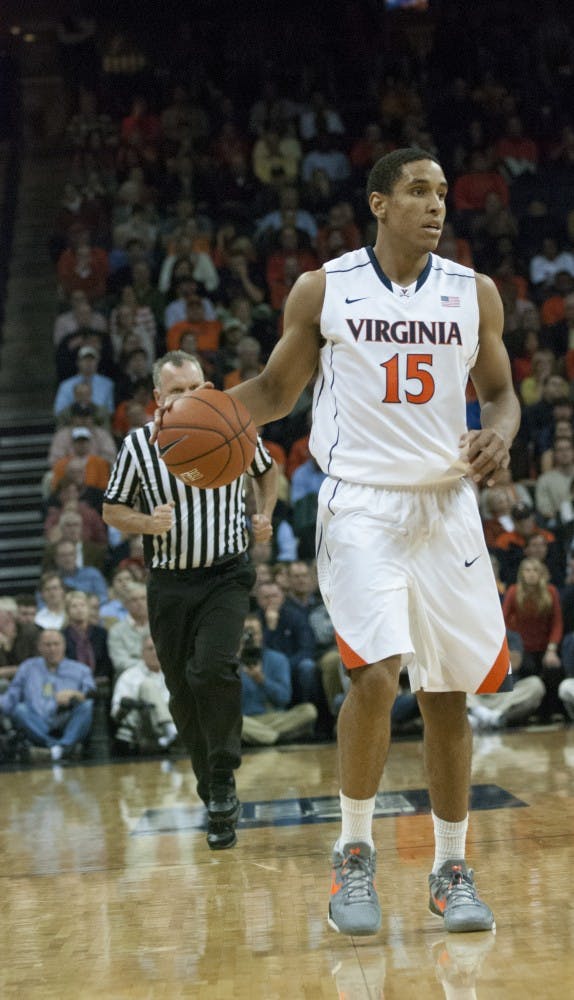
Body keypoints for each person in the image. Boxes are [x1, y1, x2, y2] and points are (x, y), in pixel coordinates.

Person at [220, 148, 520, 936]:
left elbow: (500, 394)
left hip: (447, 504)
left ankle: (451, 868)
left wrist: (500, 433)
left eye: (443, 192)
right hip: (360, 504)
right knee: (377, 676)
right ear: (379, 203)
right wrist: (205, 417)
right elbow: (276, 391)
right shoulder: (325, 288)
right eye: (419, 191)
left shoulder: (475, 293)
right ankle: (353, 855)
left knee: (447, 691)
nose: (437, 205)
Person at [103, 350, 278, 851]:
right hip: (169, 584)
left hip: (226, 574)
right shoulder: (138, 446)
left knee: (212, 669)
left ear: (208, 389)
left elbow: (267, 472)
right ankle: (214, 794)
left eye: (195, 388)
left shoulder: (233, 426)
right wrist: (146, 523)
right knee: (181, 693)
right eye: (176, 391)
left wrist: (264, 513)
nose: (187, 397)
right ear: (158, 398)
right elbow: (112, 509)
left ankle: (223, 776)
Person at [0, 629, 95, 762]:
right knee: (19, 710)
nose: (52, 649)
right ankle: (62, 749)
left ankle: (55, 749)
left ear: (64, 646)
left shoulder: (81, 670)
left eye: (56, 644)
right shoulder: (27, 667)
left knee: (87, 706)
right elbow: (11, 697)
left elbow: (91, 694)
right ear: (39, 647)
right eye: (47, 645)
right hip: (37, 720)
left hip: (66, 719)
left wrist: (75, 694)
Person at [239, 613, 317, 746]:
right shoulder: (229, 663)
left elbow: (284, 698)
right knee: (229, 722)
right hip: (245, 720)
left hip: (275, 718)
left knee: (309, 711)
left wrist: (262, 680)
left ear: (261, 635)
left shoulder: (278, 659)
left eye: (254, 633)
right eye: (245, 633)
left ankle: (259, 737)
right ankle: (275, 736)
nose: (250, 637)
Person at [111, 635, 178, 753]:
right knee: (147, 685)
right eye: (150, 649)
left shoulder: (172, 674)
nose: (155, 652)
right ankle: (170, 731)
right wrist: (133, 703)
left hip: (175, 721)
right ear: (142, 653)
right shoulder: (129, 676)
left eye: (157, 648)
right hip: (143, 727)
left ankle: (171, 733)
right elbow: (116, 712)